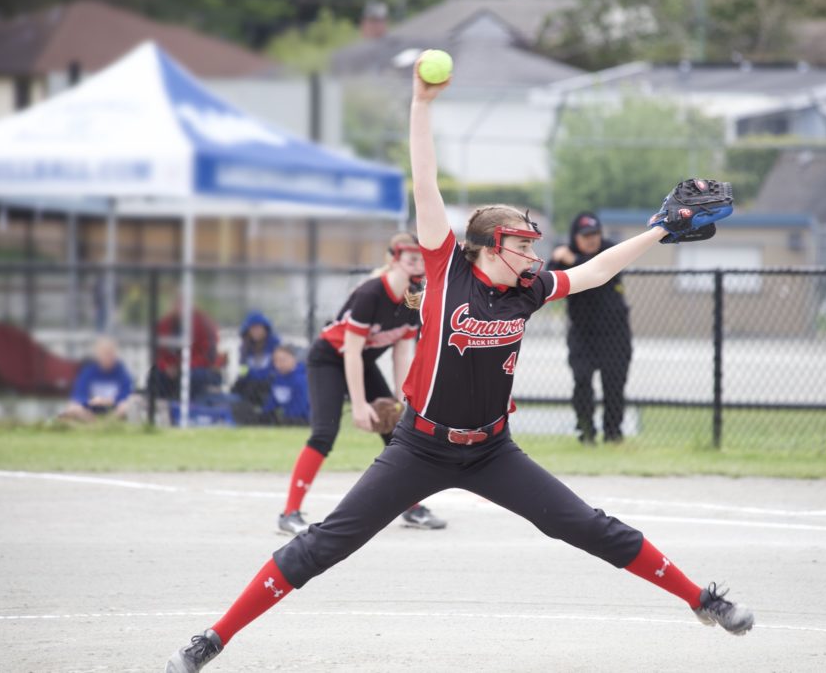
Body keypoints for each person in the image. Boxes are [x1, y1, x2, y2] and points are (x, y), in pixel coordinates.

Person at [165, 55, 750, 673]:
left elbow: (596, 270)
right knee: (326, 544)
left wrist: (661, 228)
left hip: (494, 450)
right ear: (490, 245)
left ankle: (702, 601)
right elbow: (425, 181)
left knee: (588, 526)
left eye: (531, 243)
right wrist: (421, 103)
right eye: (521, 242)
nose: (532, 251)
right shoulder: (446, 269)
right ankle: (213, 639)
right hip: (419, 446)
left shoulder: (530, 288)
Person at [275, 232, 447, 535]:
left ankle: (412, 506)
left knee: (401, 431)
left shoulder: (415, 296)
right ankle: (289, 513)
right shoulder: (371, 293)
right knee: (324, 433)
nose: (418, 264)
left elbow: (402, 352)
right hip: (330, 359)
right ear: (393, 260)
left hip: (362, 362)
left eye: (422, 258)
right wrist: (358, 405)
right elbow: (350, 351)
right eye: (411, 258)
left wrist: (401, 397)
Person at [549, 211, 632, 444]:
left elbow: (599, 273)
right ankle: (586, 432)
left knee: (614, 384)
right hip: (582, 334)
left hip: (614, 334)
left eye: (595, 233)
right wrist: (559, 259)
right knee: (582, 380)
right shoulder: (564, 254)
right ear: (575, 237)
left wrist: (572, 262)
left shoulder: (609, 250)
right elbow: (550, 278)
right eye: (585, 235)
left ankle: (613, 434)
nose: (591, 239)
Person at [147, 298, 222, 402]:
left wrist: (182, 366)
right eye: (177, 303)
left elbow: (208, 356)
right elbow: (158, 353)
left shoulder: (204, 324)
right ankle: (155, 408)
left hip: (200, 370)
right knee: (155, 374)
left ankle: (183, 406)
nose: (180, 308)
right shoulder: (165, 325)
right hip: (174, 369)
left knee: (192, 377)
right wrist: (166, 366)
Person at [59, 336, 135, 422]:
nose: (107, 357)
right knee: (73, 407)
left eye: (110, 354)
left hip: (113, 409)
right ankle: (94, 423)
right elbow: (79, 395)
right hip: (91, 409)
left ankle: (108, 423)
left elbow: (126, 394)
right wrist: (91, 401)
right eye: (104, 354)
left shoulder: (122, 373)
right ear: (98, 355)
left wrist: (109, 401)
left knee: (127, 406)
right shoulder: (88, 372)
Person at [231, 311, 281, 407]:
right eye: (253, 328)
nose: (256, 331)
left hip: (269, 384)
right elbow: (243, 369)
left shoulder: (275, 345)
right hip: (251, 384)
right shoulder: (245, 349)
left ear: (265, 329)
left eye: (259, 328)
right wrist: (241, 379)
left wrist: (261, 378)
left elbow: (277, 369)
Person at [259, 345, 310, 426]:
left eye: (282, 360)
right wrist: (264, 414)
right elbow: (273, 402)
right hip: (287, 418)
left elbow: (299, 409)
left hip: (304, 420)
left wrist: (281, 418)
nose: (278, 365)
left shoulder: (302, 379)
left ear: (293, 359)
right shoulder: (277, 378)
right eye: (275, 361)